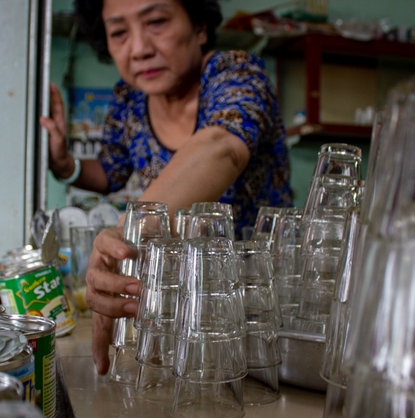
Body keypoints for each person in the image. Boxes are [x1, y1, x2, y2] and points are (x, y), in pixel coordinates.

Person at [40, 0, 292, 375]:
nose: (139, 48)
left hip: (260, 311)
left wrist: (126, 234)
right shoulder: (128, 102)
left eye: (156, 21)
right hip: (181, 310)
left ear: (200, 27)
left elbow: (222, 146)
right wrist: (64, 164)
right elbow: (110, 171)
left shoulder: (236, 73)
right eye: (119, 32)